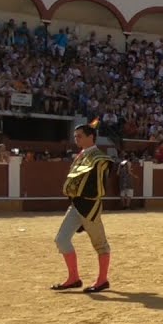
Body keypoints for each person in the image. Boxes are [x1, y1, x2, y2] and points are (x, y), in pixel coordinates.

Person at [51, 121, 114, 293]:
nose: (76, 139)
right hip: (76, 204)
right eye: (75, 136)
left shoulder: (99, 158)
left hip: (90, 206)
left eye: (79, 136)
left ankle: (102, 280)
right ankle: (74, 278)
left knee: (100, 244)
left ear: (90, 137)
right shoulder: (81, 156)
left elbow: (99, 187)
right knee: (61, 239)